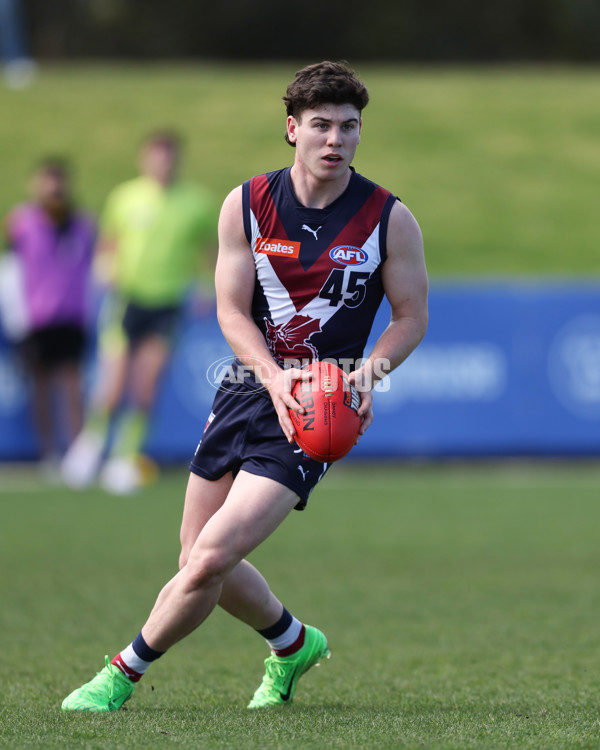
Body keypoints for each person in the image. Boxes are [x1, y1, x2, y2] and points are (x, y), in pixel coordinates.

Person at [61, 61, 428, 712]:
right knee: (194, 558)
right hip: (244, 388)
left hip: (318, 411)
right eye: (320, 126)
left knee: (208, 561)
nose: (335, 140)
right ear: (293, 129)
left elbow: (411, 316)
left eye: (349, 127)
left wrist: (367, 375)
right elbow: (231, 310)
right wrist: (270, 375)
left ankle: (120, 674)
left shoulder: (388, 218)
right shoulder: (249, 204)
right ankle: (293, 644)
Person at [61, 129, 216, 494]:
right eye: (156, 155)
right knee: (112, 385)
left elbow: (210, 248)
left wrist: (207, 286)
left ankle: (124, 457)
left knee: (145, 386)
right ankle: (89, 446)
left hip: (167, 305)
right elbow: (109, 241)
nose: (163, 163)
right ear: (145, 159)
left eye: (169, 156)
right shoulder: (125, 197)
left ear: (177, 160)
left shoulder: (196, 203)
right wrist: (106, 268)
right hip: (127, 300)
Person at [2, 158, 95, 475]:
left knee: (71, 385)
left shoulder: (83, 224)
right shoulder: (21, 222)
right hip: (36, 318)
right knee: (40, 385)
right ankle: (48, 453)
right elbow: (12, 269)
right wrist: (17, 315)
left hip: (72, 317)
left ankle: (77, 454)